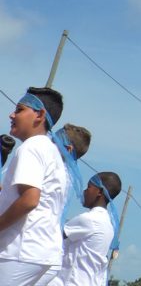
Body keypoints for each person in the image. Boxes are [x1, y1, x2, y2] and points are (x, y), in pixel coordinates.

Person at [0, 87, 66, 286]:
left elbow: (30, 200)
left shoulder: (31, 147)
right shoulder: (51, 150)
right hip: (44, 253)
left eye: (19, 109)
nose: (12, 114)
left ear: (40, 115)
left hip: (20, 250)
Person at [49, 172, 121, 286]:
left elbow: (52, 235)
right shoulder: (108, 224)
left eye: (89, 187)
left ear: (99, 192)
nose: (85, 191)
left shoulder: (89, 219)